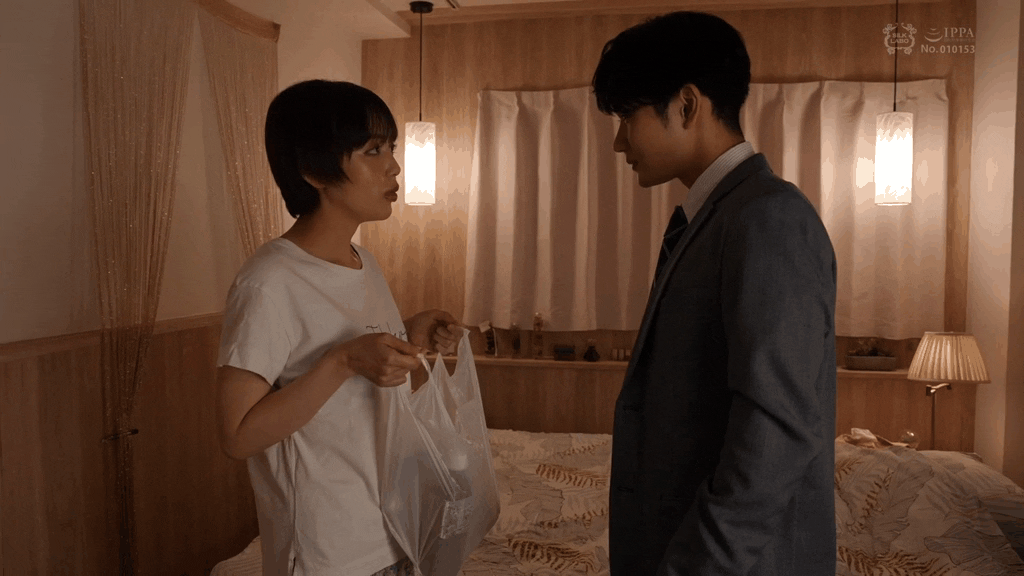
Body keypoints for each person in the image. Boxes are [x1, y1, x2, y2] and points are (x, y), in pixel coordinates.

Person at [592, 12, 838, 576]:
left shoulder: (768, 218)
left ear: (686, 105)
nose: (619, 141)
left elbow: (775, 432)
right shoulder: (720, 215)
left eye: (627, 117)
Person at [215, 79, 462, 576]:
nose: (394, 166)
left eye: (390, 148)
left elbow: (354, 377)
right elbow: (238, 436)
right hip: (328, 551)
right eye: (373, 150)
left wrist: (407, 337)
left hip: (392, 528)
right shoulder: (269, 282)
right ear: (313, 171)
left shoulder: (362, 262)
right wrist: (344, 361)